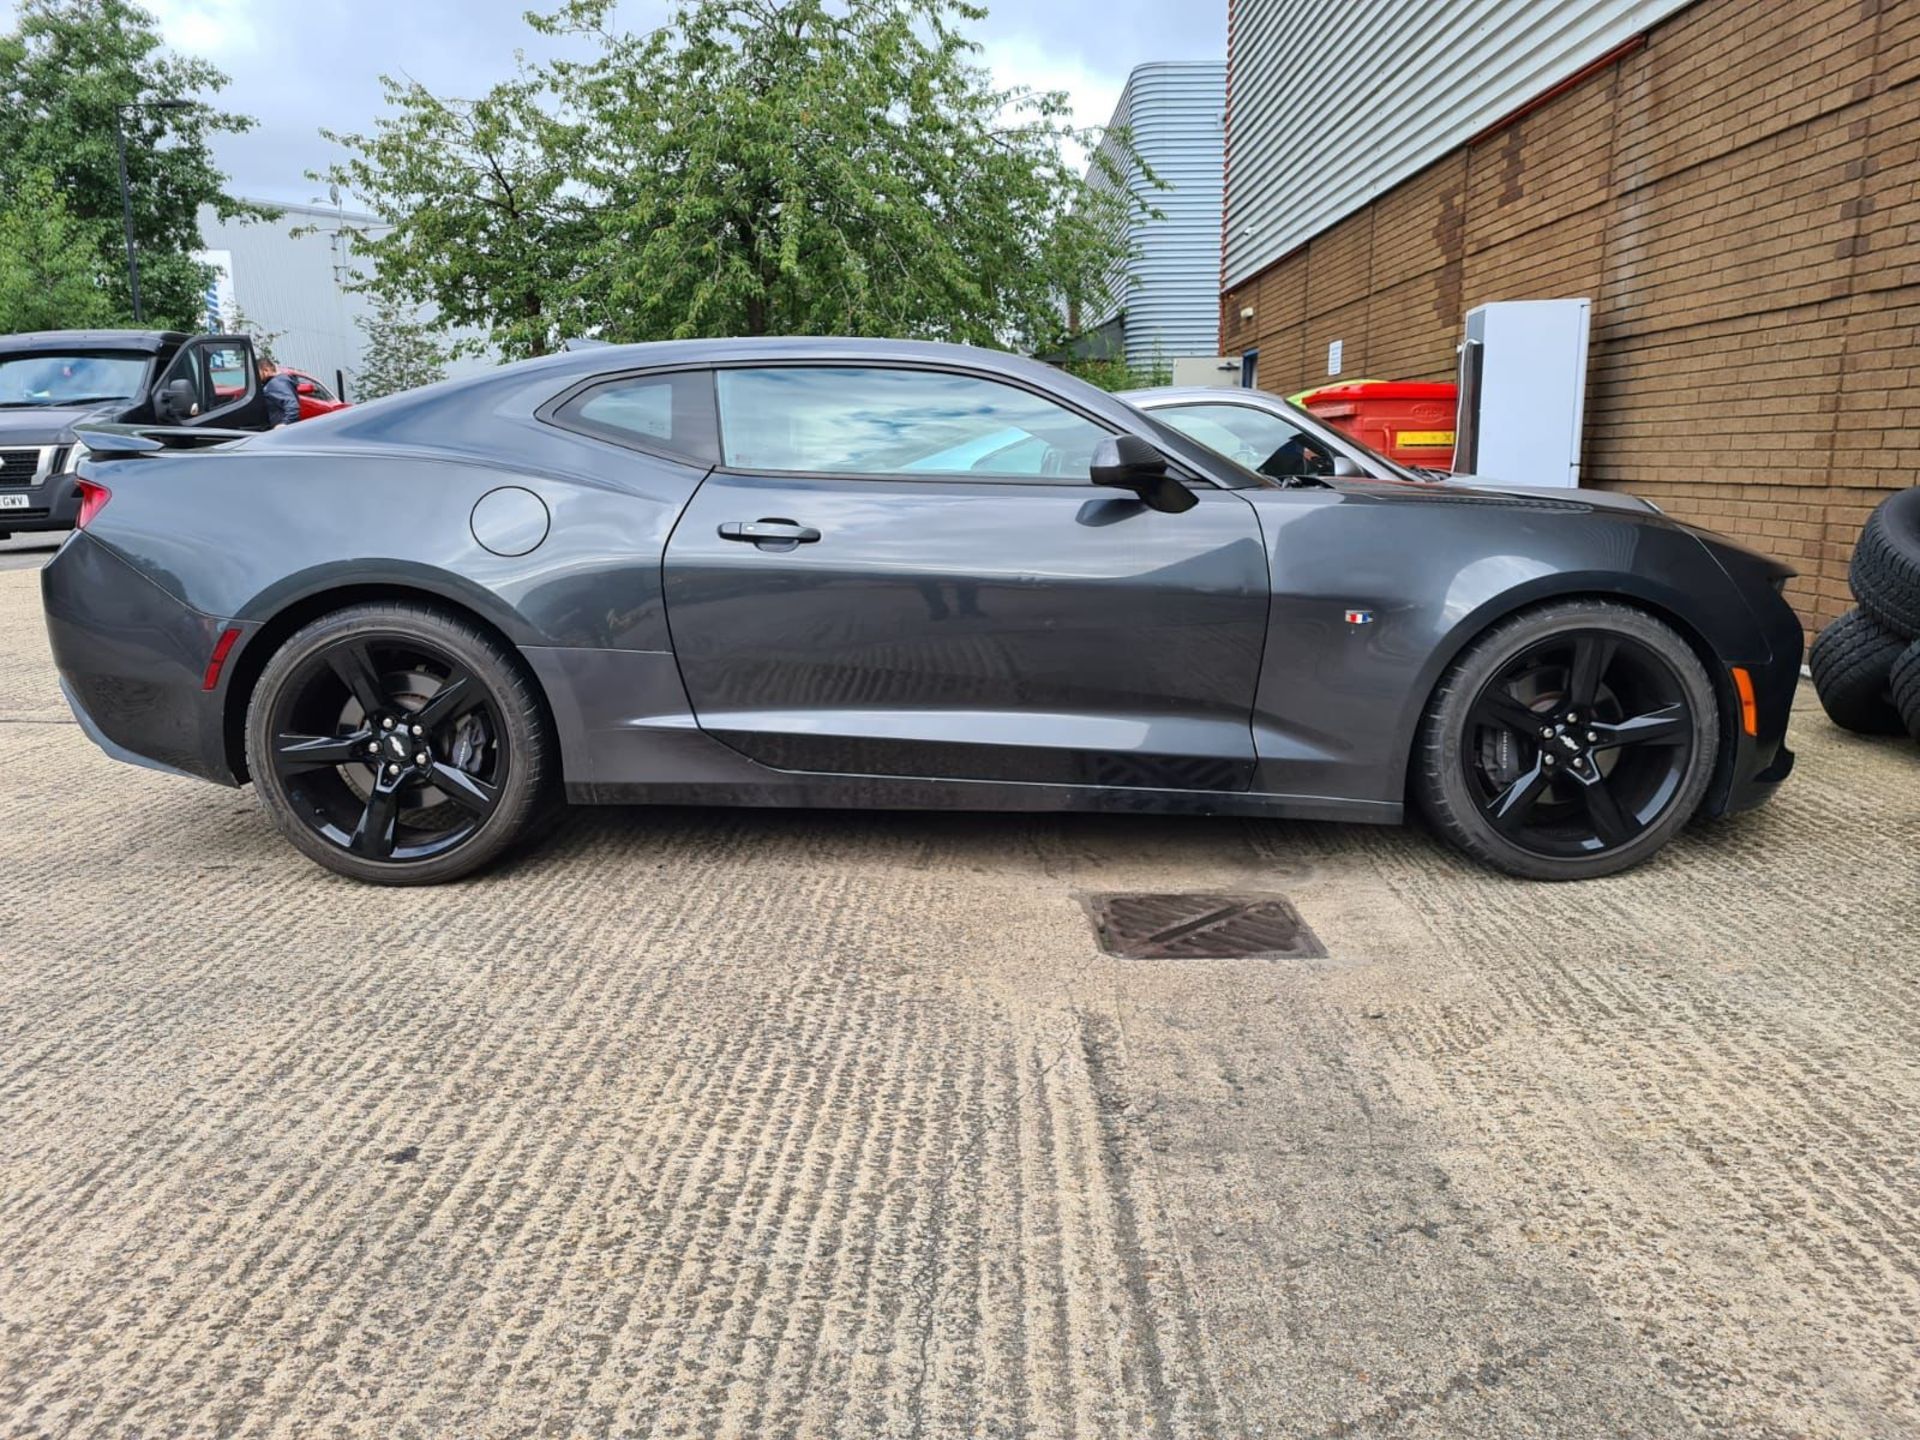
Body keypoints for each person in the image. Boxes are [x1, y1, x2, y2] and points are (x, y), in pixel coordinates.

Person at [258, 355, 301, 428]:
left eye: (257, 373)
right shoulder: (278, 381)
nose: (256, 376)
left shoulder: (275, 383)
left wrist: (285, 424)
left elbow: (292, 405)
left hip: (283, 431)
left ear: (266, 370)